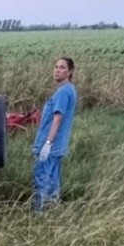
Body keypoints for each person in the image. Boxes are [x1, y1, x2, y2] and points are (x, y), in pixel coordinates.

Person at [31, 57, 78, 212]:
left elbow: (57, 119)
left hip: (50, 145)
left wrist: (47, 144)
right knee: (53, 180)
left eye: (62, 67)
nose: (57, 70)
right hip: (59, 145)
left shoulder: (63, 92)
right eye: (56, 66)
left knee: (42, 179)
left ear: (69, 71)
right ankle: (53, 210)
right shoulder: (70, 89)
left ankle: (38, 213)